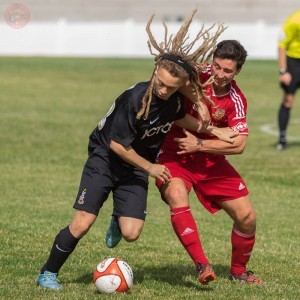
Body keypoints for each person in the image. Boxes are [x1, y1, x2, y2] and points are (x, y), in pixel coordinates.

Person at [36, 11, 228, 290]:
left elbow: (181, 116)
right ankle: (47, 273)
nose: (162, 89)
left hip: (135, 165)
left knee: (131, 233)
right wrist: (150, 167)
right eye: (159, 83)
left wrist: (211, 127)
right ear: (154, 72)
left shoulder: (174, 99)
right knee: (83, 223)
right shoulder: (136, 99)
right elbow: (116, 145)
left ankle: (118, 216)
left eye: (170, 87)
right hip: (106, 159)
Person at [156, 40, 264, 285]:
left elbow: (239, 144)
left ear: (237, 72)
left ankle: (239, 272)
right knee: (176, 194)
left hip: (209, 160)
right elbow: (169, 83)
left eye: (228, 71)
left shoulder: (236, 99)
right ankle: (201, 264)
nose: (220, 75)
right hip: (175, 155)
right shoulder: (195, 74)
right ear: (212, 61)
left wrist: (201, 144)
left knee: (247, 216)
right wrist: (205, 119)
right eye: (217, 67)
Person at [276, 9, 300, 150]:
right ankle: (282, 138)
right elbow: (282, 45)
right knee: (288, 100)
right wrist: (283, 70)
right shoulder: (294, 21)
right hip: (293, 63)